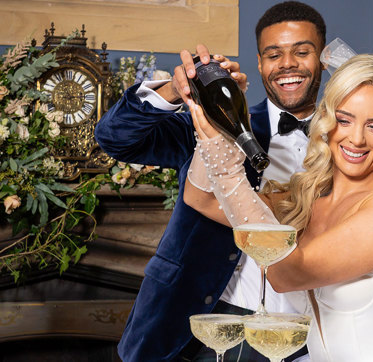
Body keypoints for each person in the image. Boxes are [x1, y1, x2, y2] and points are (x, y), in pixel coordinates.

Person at [184, 53, 373, 361]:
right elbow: (202, 199)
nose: (356, 139)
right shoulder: (305, 198)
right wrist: (214, 125)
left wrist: (228, 171)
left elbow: (288, 274)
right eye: (344, 120)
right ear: (326, 121)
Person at [94, 2, 326, 361]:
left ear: (322, 58)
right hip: (209, 322)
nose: (287, 64)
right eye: (273, 54)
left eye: (302, 51)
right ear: (261, 63)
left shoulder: (349, 140)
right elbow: (116, 138)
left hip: (308, 329)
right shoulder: (214, 122)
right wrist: (176, 90)